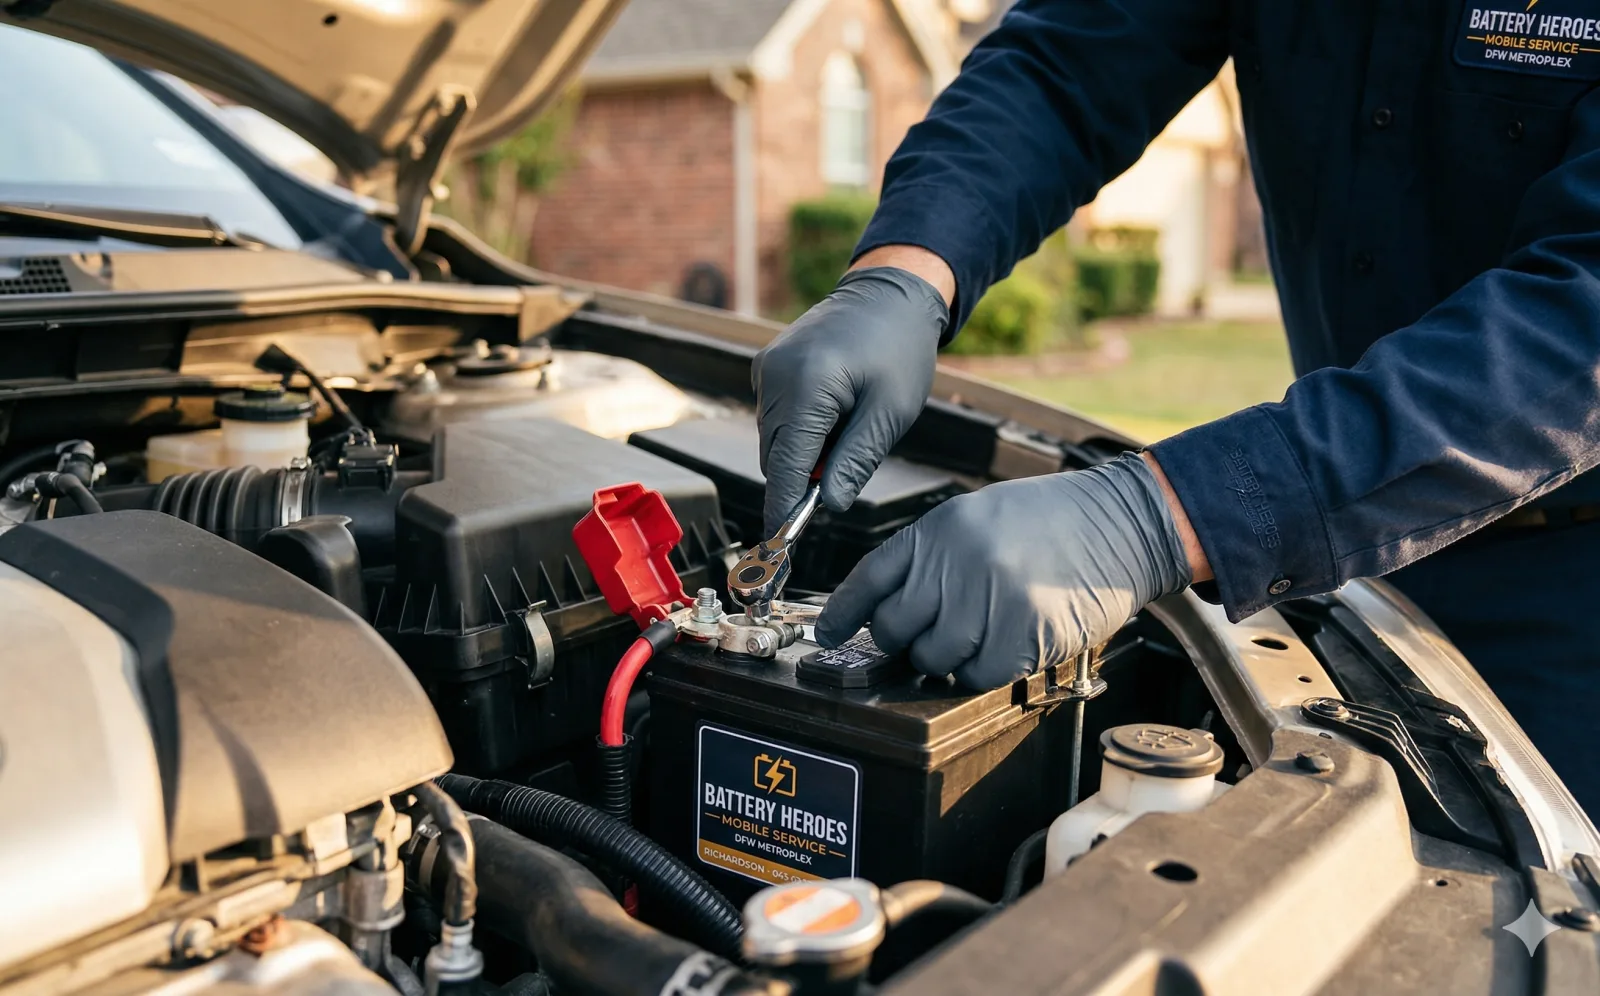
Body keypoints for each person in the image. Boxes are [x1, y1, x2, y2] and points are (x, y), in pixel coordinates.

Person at [753, 1, 1600, 818]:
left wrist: (1162, 515)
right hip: (1346, 558)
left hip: (1567, 589)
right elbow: (1067, 63)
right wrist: (904, 273)